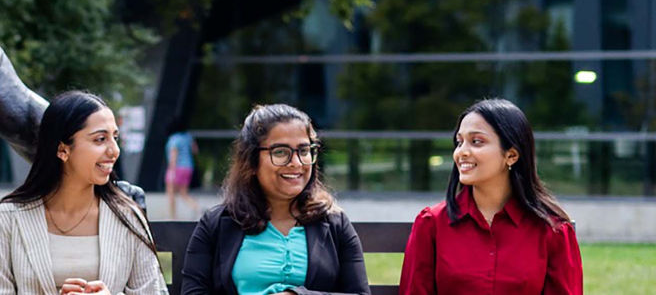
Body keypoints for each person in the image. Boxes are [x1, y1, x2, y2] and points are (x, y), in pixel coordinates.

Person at [0, 91, 167, 294]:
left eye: (115, 137)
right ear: (62, 150)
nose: (114, 150)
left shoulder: (128, 216)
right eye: (100, 139)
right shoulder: (9, 218)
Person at [398, 99, 582, 295]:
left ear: (511, 155)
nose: (462, 152)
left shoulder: (553, 231)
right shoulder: (431, 224)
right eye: (459, 142)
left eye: (476, 141)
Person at [181, 104, 369, 295]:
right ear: (252, 161)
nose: (296, 163)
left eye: (304, 151)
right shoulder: (216, 224)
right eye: (280, 152)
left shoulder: (335, 223)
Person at [165, 127, 200, 218]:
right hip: (188, 167)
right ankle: (196, 207)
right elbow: (195, 150)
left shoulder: (173, 139)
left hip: (177, 168)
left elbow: (173, 155)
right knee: (183, 193)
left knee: (171, 192)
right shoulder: (188, 137)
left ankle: (172, 216)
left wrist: (172, 170)